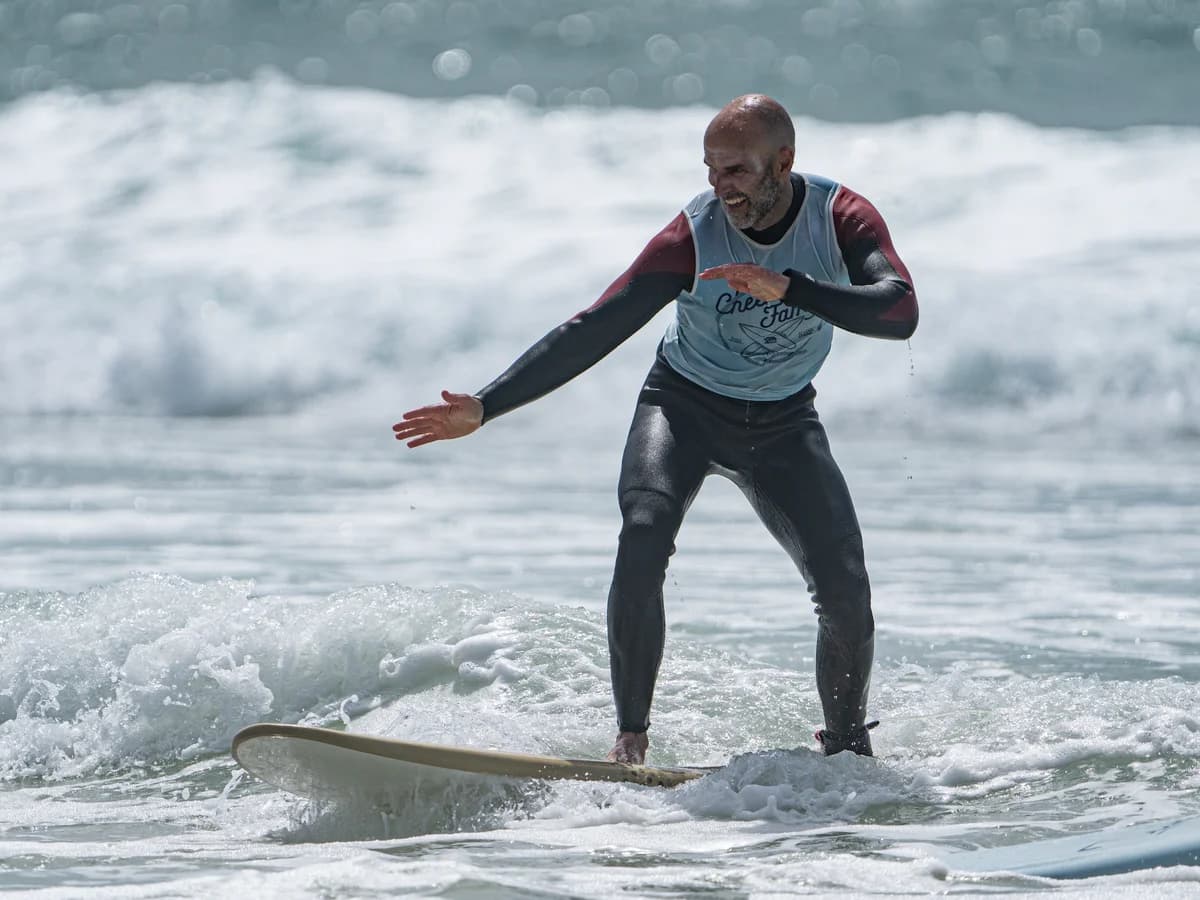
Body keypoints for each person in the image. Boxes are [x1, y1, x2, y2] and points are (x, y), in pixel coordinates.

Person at [394, 94, 917, 765]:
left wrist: (790, 288)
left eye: (734, 169)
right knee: (642, 538)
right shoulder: (692, 237)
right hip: (683, 408)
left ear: (782, 162)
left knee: (845, 590)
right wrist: (486, 406)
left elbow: (898, 310)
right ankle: (631, 739)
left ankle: (846, 752)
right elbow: (596, 325)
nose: (717, 185)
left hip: (784, 424)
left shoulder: (840, 219)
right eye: (709, 169)